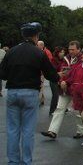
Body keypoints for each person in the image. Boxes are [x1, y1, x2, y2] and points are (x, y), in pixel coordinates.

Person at [0, 22, 59, 165]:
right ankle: (26, 161)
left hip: (13, 92)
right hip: (30, 92)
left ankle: (13, 161)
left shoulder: (11, 51)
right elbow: (51, 74)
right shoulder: (39, 52)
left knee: (13, 129)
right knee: (27, 130)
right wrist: (59, 77)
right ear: (36, 36)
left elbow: (3, 73)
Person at [41, 40, 83, 139]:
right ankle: (52, 131)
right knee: (59, 108)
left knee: (77, 111)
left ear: (79, 49)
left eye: (73, 50)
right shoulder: (66, 59)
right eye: (69, 49)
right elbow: (62, 72)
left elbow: (78, 74)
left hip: (75, 89)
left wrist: (66, 82)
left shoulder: (82, 60)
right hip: (64, 88)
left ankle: (81, 131)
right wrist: (60, 81)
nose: (70, 51)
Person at [49, 46, 66, 115]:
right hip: (54, 79)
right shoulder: (53, 60)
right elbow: (52, 70)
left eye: (63, 52)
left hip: (60, 79)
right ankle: (52, 111)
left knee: (62, 95)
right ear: (57, 53)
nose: (63, 53)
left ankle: (62, 108)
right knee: (55, 95)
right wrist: (59, 72)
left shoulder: (63, 60)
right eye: (61, 52)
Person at [37, 41, 53, 106]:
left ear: (41, 46)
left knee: (40, 86)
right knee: (40, 86)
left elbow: (49, 62)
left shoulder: (46, 52)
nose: (36, 46)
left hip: (41, 72)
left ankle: (38, 100)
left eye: (37, 45)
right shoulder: (40, 51)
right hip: (38, 72)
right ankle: (42, 99)